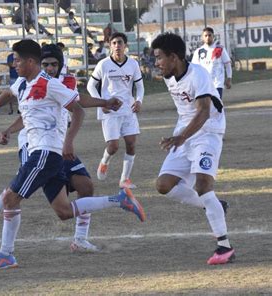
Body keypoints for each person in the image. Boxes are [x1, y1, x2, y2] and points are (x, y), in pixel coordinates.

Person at [0, 39, 145, 271]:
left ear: (30, 61)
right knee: (64, 211)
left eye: (16, 60)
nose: (13, 64)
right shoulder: (24, 84)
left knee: (11, 199)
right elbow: (8, 93)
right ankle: (120, 200)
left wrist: (69, 141)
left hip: (46, 152)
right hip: (38, 150)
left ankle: (5, 252)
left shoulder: (49, 84)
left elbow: (77, 108)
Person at [151, 33, 234, 265]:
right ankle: (217, 205)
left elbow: (204, 111)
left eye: (159, 58)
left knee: (203, 184)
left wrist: (180, 138)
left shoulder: (198, 74)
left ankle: (224, 246)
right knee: (163, 185)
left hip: (207, 131)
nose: (156, 63)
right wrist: (181, 136)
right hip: (185, 132)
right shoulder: (170, 77)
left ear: (174, 57)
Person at [87, 32, 145, 189]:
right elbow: (90, 85)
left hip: (128, 109)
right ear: (109, 45)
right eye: (114, 43)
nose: (117, 46)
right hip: (110, 110)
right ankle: (104, 161)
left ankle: (124, 180)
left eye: (120, 42)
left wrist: (138, 100)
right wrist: (101, 103)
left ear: (125, 45)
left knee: (131, 144)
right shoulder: (103, 64)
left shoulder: (133, 64)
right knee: (113, 147)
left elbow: (139, 86)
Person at [191, 27, 232, 99]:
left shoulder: (220, 49)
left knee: (216, 106)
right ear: (202, 37)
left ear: (213, 36)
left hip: (217, 83)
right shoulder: (199, 51)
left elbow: (227, 64)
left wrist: (229, 78)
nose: (208, 37)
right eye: (205, 36)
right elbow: (194, 69)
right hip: (203, 84)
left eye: (210, 35)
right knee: (206, 107)